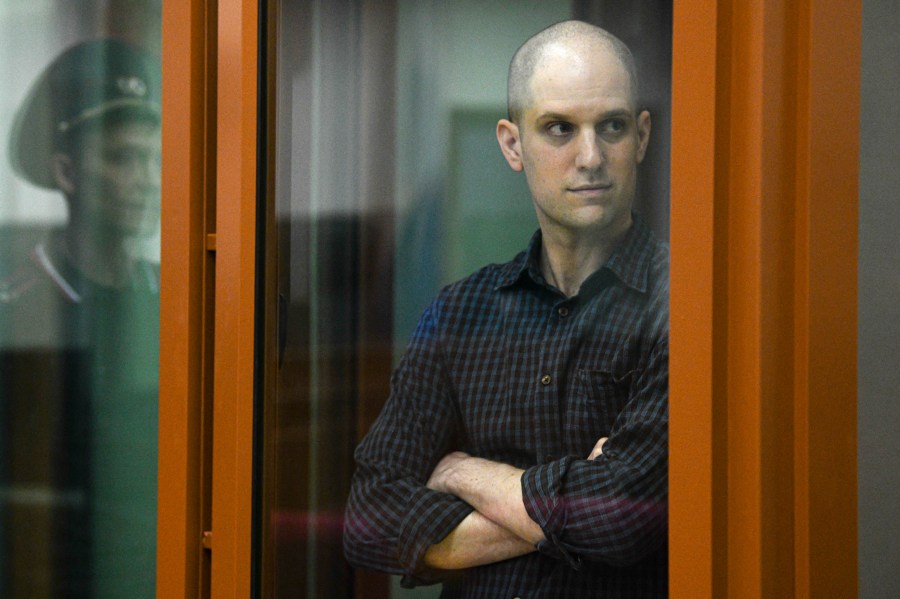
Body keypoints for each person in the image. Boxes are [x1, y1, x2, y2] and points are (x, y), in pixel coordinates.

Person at [344, 20, 668, 598]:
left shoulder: (686, 304)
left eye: (612, 126)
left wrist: (464, 474)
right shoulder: (460, 313)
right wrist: (576, 500)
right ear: (513, 144)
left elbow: (623, 519)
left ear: (642, 137)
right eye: (559, 129)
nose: (590, 156)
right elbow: (369, 519)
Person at [0, 38, 161, 597]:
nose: (148, 178)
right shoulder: (22, 311)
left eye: (153, 158)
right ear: (67, 172)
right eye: (122, 158)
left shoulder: (171, 299)